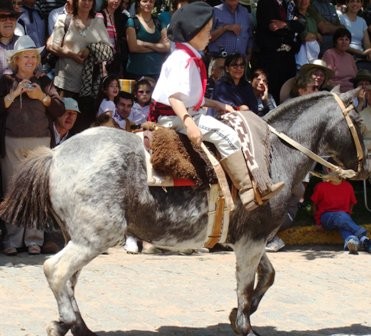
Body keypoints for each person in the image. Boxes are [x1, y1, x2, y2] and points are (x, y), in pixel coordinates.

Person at [150, 1, 284, 212]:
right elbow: (175, 98)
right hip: (176, 117)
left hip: (186, 112)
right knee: (228, 135)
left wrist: (220, 105)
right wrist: (189, 124)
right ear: (195, 32)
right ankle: (248, 191)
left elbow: (193, 97)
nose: (211, 34)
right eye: (207, 30)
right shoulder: (181, 59)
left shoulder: (189, 57)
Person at [0, 35, 64, 256]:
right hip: (12, 143)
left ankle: (34, 240)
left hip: (40, 142)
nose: (29, 60)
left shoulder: (45, 81)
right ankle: (12, 240)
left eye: (33, 57)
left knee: (37, 190)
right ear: (16, 60)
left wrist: (42, 97)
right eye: (25, 57)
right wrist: (13, 94)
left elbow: (59, 109)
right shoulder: (6, 81)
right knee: (12, 190)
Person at [48, 0, 112, 132]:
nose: (87, 3)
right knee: (62, 126)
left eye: (90, 0)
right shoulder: (64, 19)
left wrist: (91, 49)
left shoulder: (98, 22)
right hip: (66, 85)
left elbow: (109, 50)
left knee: (83, 128)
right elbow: (54, 46)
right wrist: (71, 55)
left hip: (89, 87)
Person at [254, 0, 305, 102]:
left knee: (288, 90)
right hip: (271, 57)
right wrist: (290, 26)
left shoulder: (289, 4)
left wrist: (285, 24)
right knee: (272, 92)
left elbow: (301, 25)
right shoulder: (265, 3)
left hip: (288, 56)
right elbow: (273, 27)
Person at [311, 172, 371, 254]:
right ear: (328, 170)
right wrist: (317, 222)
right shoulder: (321, 186)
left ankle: (353, 241)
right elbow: (314, 205)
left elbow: (352, 202)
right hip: (326, 217)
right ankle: (361, 234)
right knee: (341, 216)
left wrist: (347, 216)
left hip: (343, 218)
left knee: (343, 225)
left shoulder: (348, 186)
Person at [125, 0, 170, 80]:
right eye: (145, 1)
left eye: (151, 1)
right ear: (139, 3)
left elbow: (166, 47)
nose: (148, 4)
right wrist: (158, 47)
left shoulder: (159, 21)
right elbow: (133, 47)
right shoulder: (132, 21)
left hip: (158, 72)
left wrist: (144, 43)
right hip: (136, 72)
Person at [97, 0, 128, 75]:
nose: (116, 1)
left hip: (117, 59)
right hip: (102, 58)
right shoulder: (99, 16)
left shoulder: (123, 17)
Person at [322, 27, 358, 92]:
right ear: (335, 42)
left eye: (346, 39)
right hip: (337, 91)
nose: (344, 42)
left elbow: (356, 77)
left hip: (352, 91)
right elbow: (327, 79)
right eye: (341, 39)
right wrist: (340, 92)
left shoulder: (350, 57)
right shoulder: (329, 54)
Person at [0, 0, 20, 75]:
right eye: (3, 17)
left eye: (12, 17)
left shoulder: (25, 42)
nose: (8, 21)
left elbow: (38, 70)